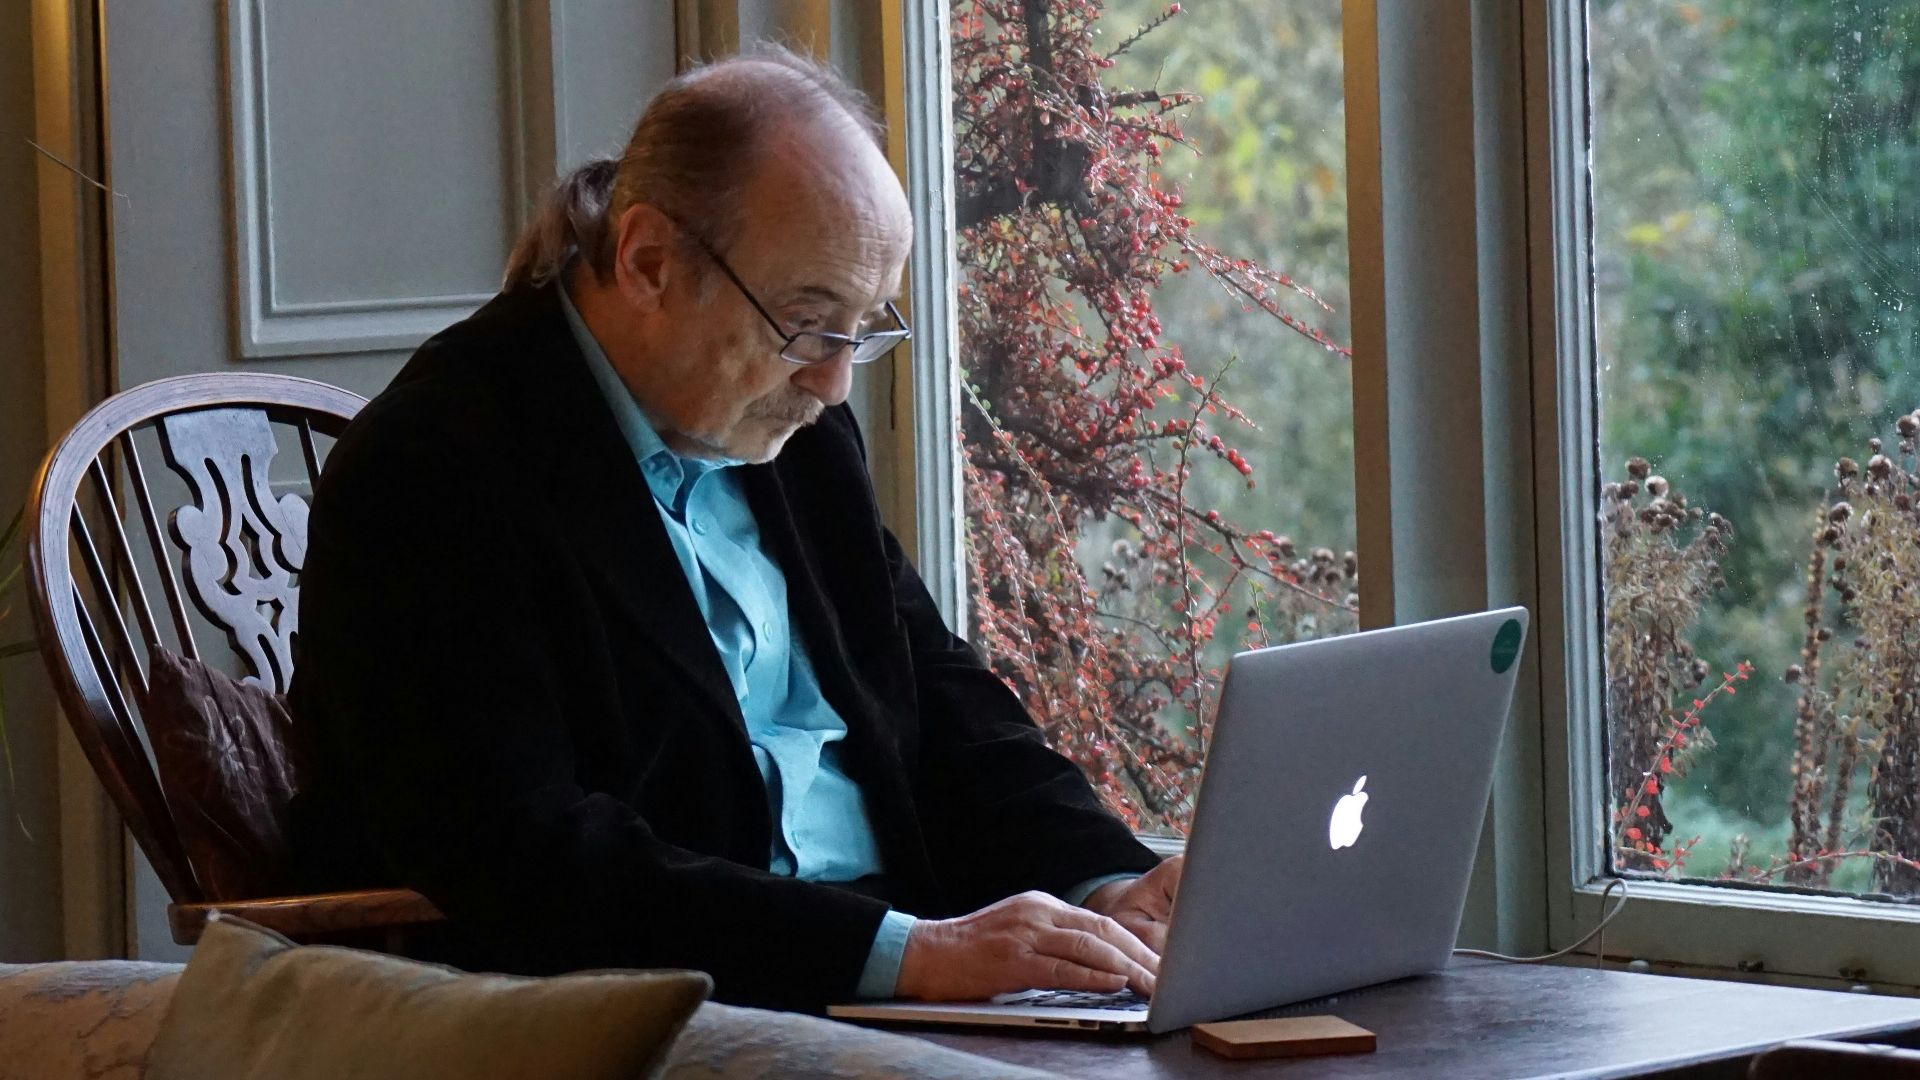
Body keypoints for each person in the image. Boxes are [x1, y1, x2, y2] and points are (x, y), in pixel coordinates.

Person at [287, 47, 1183, 1013]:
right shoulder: (434, 469)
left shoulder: (792, 428)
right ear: (648, 263)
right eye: (806, 323)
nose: (835, 382)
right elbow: (528, 854)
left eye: (861, 329)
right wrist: (907, 955)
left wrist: (1109, 880)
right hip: (664, 1010)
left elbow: (933, 691)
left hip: (893, 978)